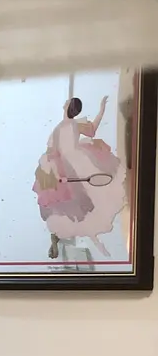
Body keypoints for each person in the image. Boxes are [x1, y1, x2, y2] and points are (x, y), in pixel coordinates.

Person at [33, 92, 126, 260]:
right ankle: (58, 234)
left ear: (67, 107)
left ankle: (59, 234)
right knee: (66, 203)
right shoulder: (71, 125)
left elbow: (55, 151)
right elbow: (91, 130)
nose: (64, 103)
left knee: (73, 201)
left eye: (67, 102)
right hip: (72, 161)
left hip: (70, 164)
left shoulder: (64, 127)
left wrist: (102, 109)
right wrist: (101, 110)